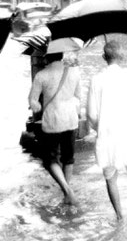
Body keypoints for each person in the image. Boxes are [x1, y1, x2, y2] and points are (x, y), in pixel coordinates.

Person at [87, 41, 127, 222]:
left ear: (103, 57)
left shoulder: (96, 79)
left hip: (107, 134)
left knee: (110, 178)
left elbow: (91, 114)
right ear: (121, 56)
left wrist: (99, 128)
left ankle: (120, 217)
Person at [28, 52, 81, 205]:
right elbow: (79, 96)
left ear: (46, 58)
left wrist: (37, 105)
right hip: (71, 119)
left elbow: (33, 102)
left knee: (50, 160)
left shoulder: (41, 75)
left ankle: (67, 191)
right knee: (68, 158)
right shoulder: (73, 72)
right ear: (61, 56)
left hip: (52, 121)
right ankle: (67, 193)